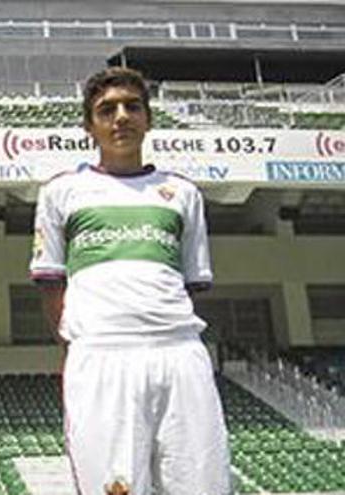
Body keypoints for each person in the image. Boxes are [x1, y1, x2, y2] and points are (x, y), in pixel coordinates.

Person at [30, 67, 230, 495]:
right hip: (101, 356)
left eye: (132, 106)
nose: (121, 117)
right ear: (89, 126)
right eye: (107, 109)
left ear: (149, 119)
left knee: (201, 485)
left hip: (180, 355)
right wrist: (77, 348)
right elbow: (51, 284)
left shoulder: (183, 193)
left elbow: (191, 286)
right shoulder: (61, 192)